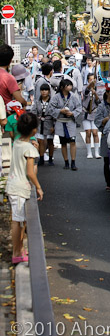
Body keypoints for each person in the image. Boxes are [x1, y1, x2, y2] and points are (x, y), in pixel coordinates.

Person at [5, 112, 43, 264]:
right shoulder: (30, 149)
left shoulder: (17, 143)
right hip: (21, 187)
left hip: (12, 184)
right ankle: (17, 252)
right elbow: (31, 172)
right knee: (18, 221)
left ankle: (19, 250)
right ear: (34, 130)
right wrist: (39, 187)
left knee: (17, 220)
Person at [48, 79, 82, 171]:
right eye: (68, 85)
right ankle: (66, 161)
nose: (70, 87)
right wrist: (60, 111)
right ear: (63, 87)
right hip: (60, 121)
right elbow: (50, 108)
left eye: (71, 85)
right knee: (63, 143)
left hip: (70, 121)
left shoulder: (73, 97)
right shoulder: (56, 97)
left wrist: (73, 113)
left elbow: (79, 107)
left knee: (72, 141)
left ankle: (73, 162)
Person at [94, 82, 110, 190]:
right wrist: (106, 119)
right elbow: (97, 120)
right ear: (107, 93)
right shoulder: (102, 106)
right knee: (107, 160)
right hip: (106, 135)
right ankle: (108, 183)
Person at [32, 83, 55, 166]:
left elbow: (55, 114)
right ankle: (41, 158)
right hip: (39, 122)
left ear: (49, 91)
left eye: (46, 90)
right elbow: (33, 112)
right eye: (42, 90)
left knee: (50, 141)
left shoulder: (52, 101)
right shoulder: (37, 101)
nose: (44, 92)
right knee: (40, 140)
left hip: (49, 122)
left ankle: (50, 158)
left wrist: (54, 125)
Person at [82, 74, 101, 159]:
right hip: (86, 113)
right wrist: (90, 86)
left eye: (94, 79)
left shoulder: (99, 89)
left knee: (95, 132)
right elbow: (85, 92)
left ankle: (97, 152)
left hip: (94, 113)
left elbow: (99, 102)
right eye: (90, 79)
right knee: (88, 133)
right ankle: (89, 152)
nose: (92, 81)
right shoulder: (85, 88)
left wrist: (95, 94)